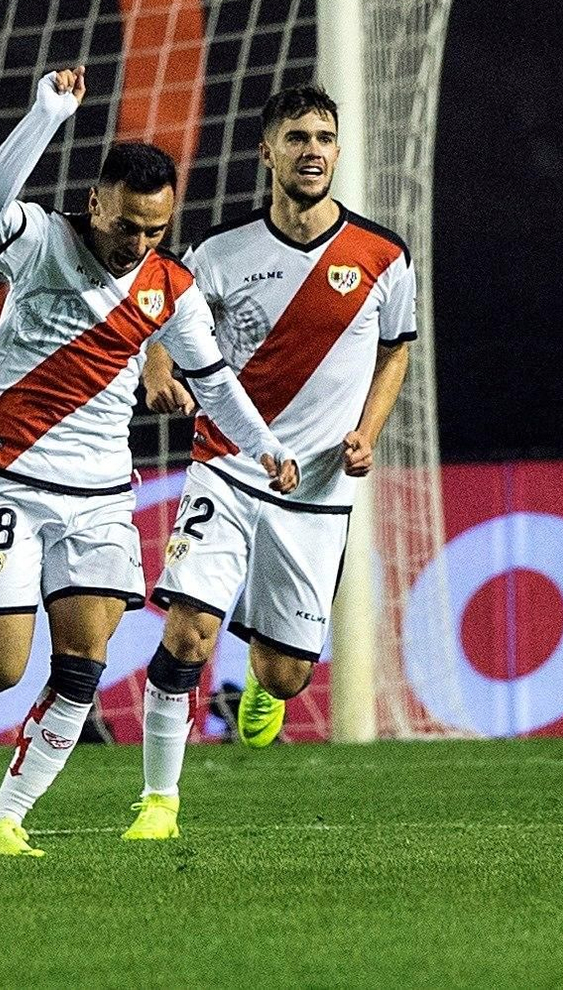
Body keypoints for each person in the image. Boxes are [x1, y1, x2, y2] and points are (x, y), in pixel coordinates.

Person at [0, 66, 296, 858]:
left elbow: (214, 382)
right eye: (127, 228)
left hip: (102, 495)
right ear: (96, 203)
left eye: (155, 231)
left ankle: (3, 822)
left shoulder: (169, 287)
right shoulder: (38, 244)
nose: (137, 245)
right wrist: (46, 114)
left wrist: (268, 446)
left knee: (83, 662)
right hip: (12, 478)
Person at [122, 84, 416, 842]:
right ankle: (159, 803)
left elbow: (396, 351)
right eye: (297, 137)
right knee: (187, 630)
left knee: (286, 675)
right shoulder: (220, 253)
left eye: (324, 136)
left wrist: (368, 432)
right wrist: (158, 369)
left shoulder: (382, 256)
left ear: (338, 151)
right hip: (227, 465)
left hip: (317, 488)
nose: (312, 149)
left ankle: (266, 679)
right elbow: (161, 312)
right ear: (268, 152)